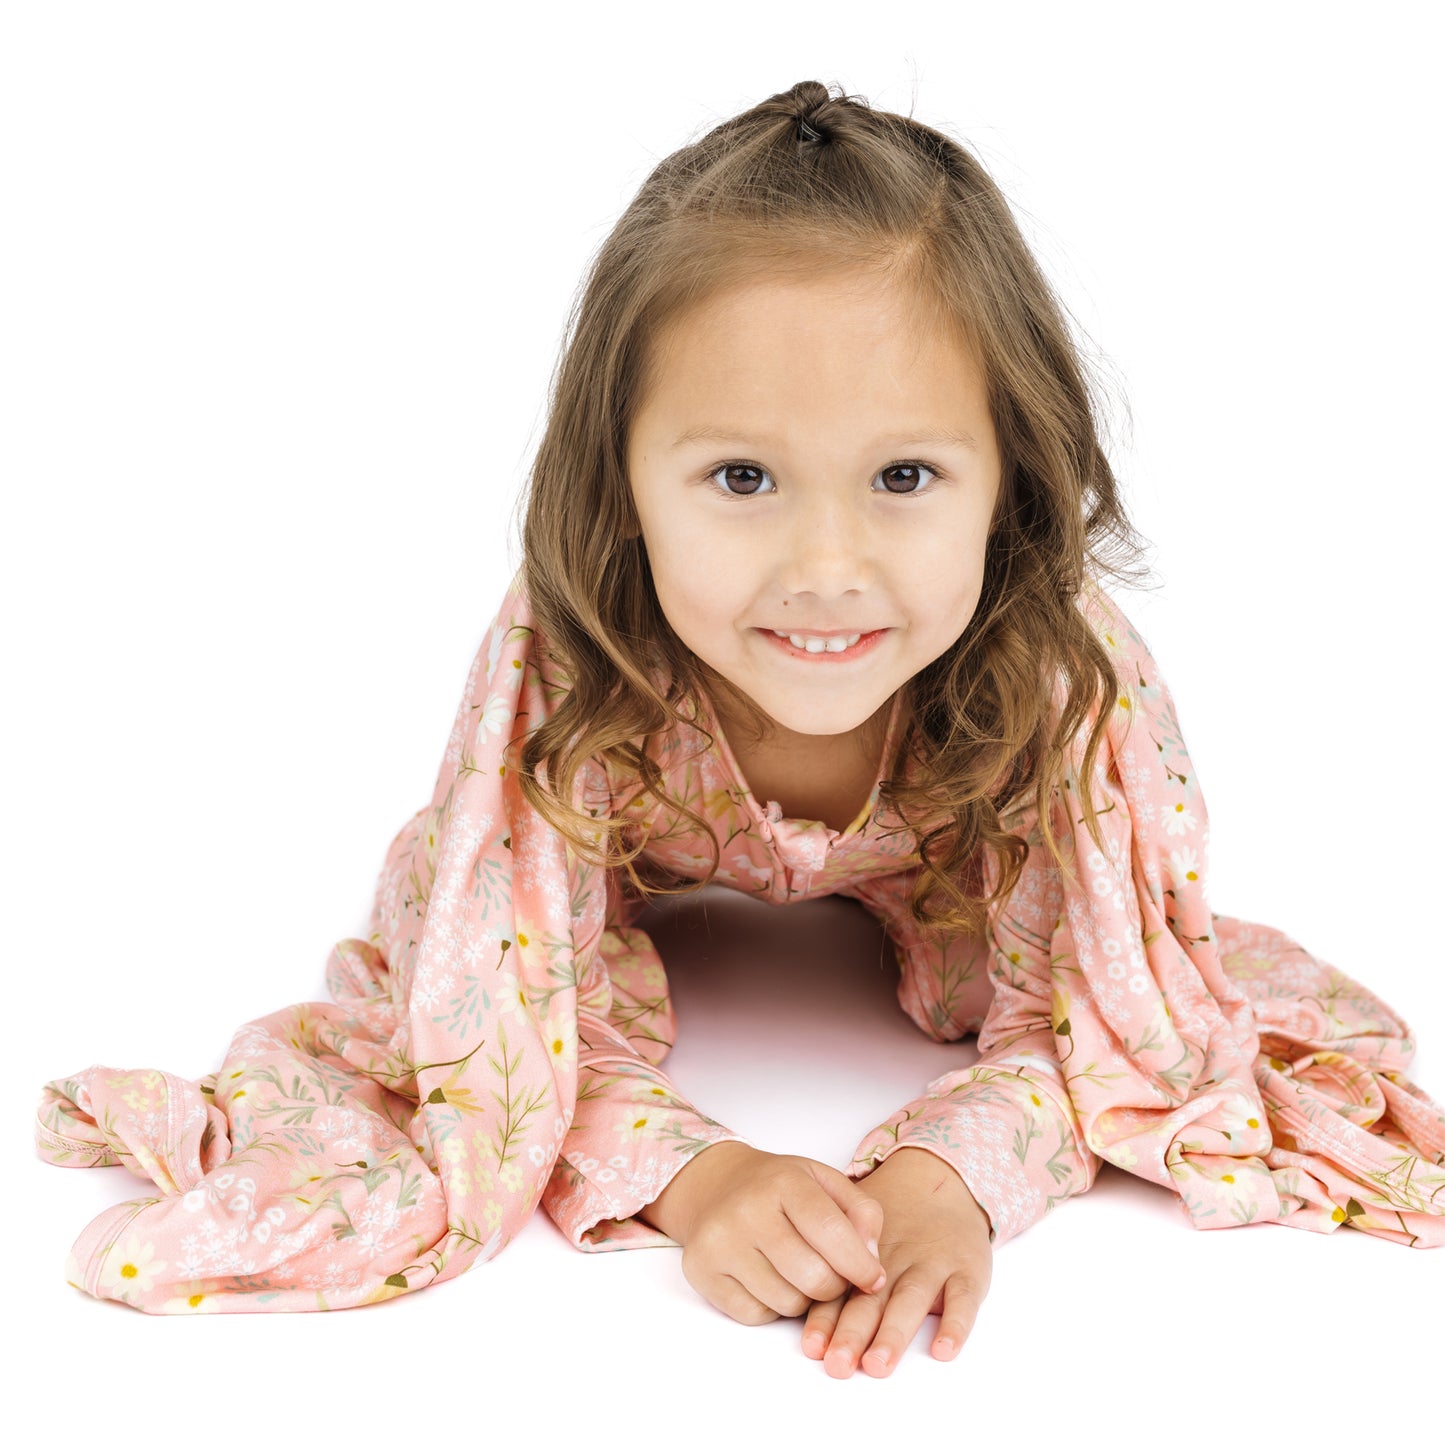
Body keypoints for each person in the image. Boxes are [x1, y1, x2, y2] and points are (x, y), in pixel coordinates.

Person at [36, 80, 1445, 1372]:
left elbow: (1107, 1026)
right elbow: (486, 1021)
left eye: (903, 472)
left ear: (1009, 473)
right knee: (443, 937)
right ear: (621, 481)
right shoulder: (568, 669)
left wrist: (943, 1179)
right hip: (618, 821)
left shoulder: (1057, 690)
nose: (825, 564)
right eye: (739, 475)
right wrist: (695, 1174)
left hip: (949, 844)